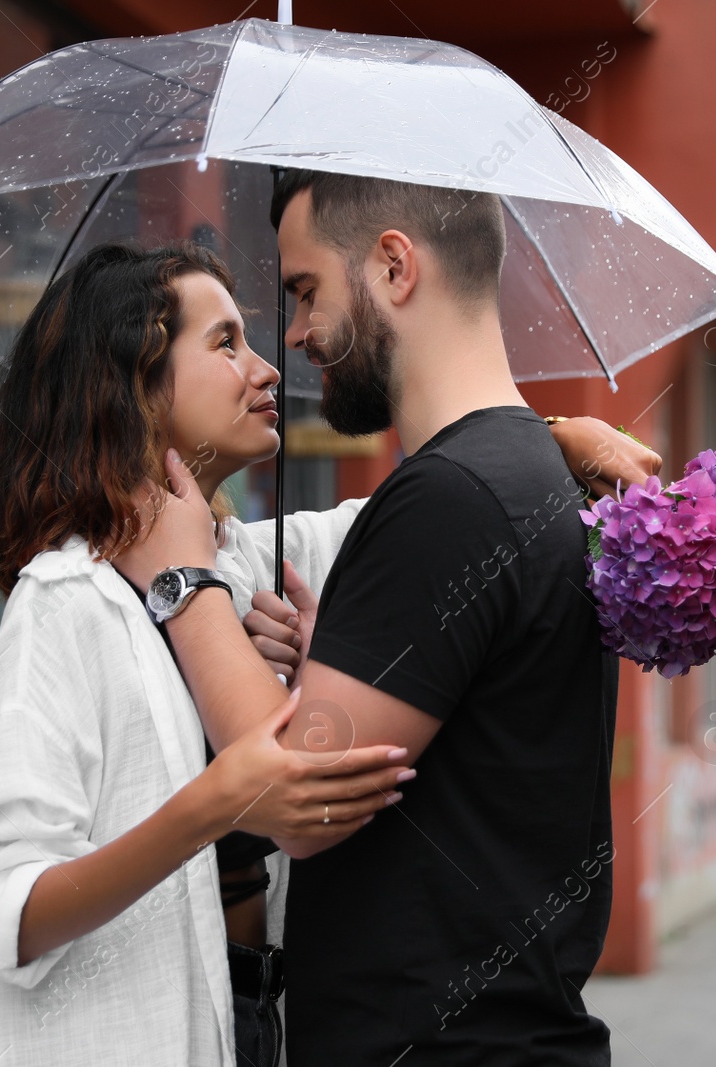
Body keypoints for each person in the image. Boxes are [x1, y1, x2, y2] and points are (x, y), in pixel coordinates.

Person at [0, 240, 656, 1066]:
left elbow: (438, 511)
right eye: (226, 343)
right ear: (132, 381)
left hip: (256, 1025)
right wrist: (209, 806)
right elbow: (2, 910)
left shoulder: (246, 560)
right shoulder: (64, 609)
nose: (270, 369)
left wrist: (552, 435)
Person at [115, 171, 631, 1066]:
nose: (300, 334)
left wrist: (181, 577)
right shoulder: (524, 473)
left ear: (394, 266)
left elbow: (293, 801)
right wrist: (347, 663)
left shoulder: (451, 498)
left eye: (307, 290)